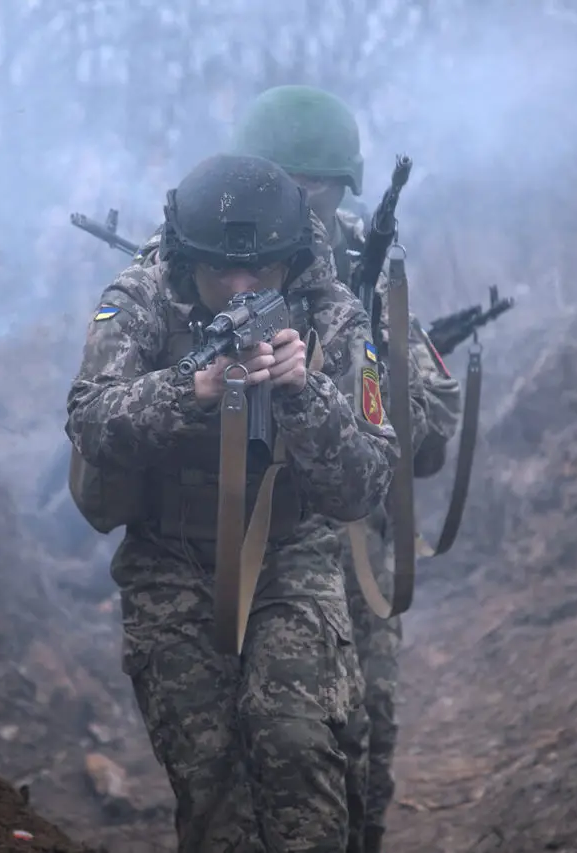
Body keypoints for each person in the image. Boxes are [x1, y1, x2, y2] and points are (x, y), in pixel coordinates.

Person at [65, 152, 399, 853]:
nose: (242, 288)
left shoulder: (334, 316)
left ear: (291, 261)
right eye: (223, 273)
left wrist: (305, 392)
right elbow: (92, 421)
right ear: (191, 260)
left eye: (261, 273)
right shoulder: (139, 298)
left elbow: (366, 482)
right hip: (169, 561)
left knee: (299, 744)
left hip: (290, 553)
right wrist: (191, 389)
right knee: (213, 782)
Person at [230, 85, 463, 853]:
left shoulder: (367, 267)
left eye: (313, 187)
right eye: (282, 183)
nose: (297, 202)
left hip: (358, 548)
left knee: (366, 745)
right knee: (265, 763)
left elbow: (428, 439)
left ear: (340, 189)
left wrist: (369, 370)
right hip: (261, 550)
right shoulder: (223, 258)